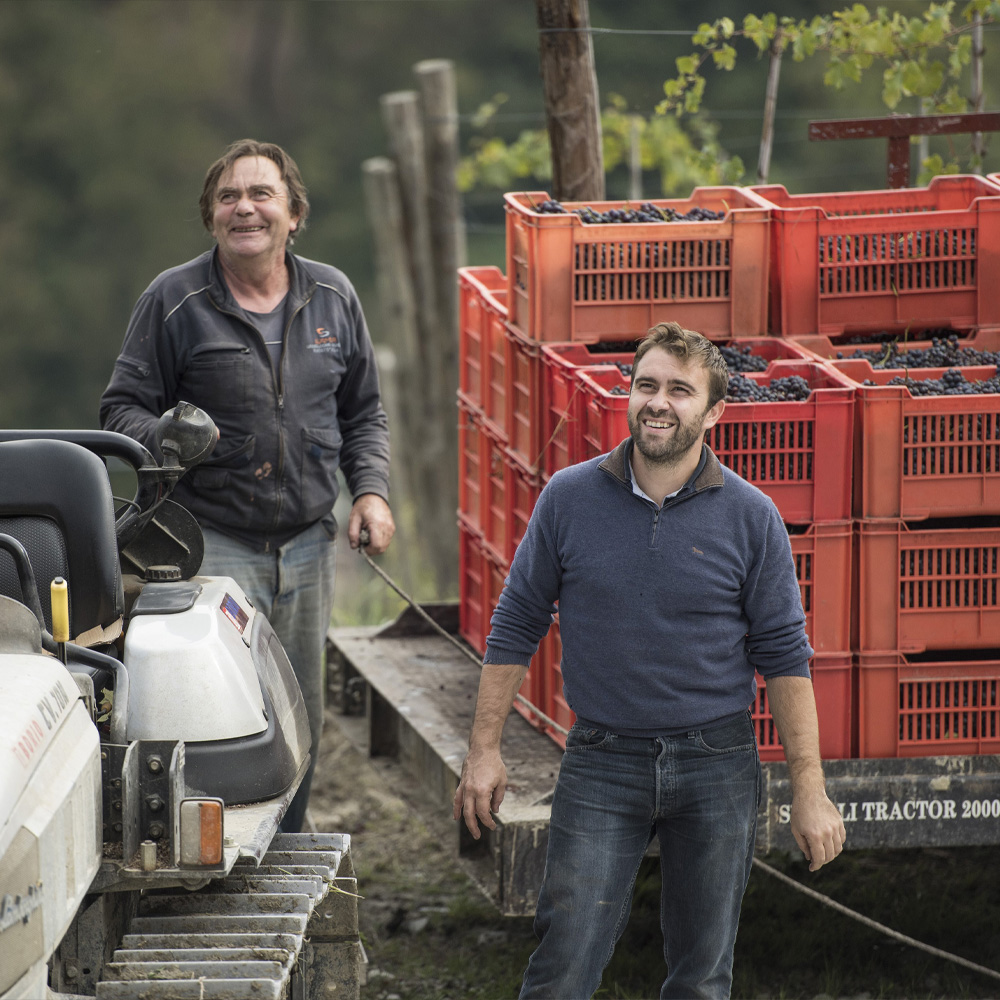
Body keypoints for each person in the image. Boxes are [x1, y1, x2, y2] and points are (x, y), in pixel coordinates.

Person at [453, 322, 845, 999]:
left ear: (715, 412)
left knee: (701, 975)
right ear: (628, 393)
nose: (659, 402)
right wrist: (483, 749)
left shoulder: (753, 517)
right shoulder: (568, 498)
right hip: (603, 760)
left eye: (680, 391)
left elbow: (784, 657)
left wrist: (809, 789)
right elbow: (516, 623)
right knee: (564, 962)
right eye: (648, 385)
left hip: (717, 762)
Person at [100, 138, 394, 833]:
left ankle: (288, 850)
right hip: (211, 543)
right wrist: (170, 434)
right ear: (210, 216)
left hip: (308, 546)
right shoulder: (174, 300)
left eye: (262, 194)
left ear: (294, 214)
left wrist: (372, 493)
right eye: (229, 196)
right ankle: (215, 852)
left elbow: (364, 413)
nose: (246, 208)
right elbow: (119, 410)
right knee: (222, 712)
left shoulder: (334, 296)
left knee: (300, 714)